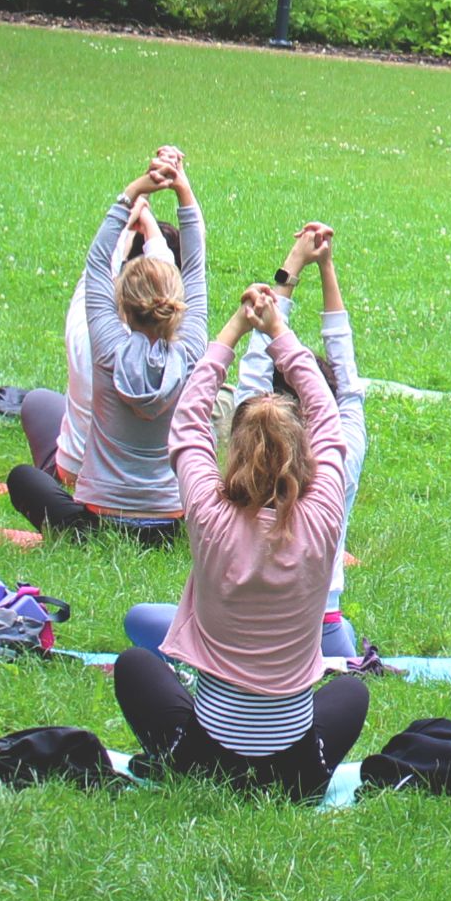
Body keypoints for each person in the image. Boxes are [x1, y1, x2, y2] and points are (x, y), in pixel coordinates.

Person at [111, 282, 363, 798]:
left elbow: (187, 420)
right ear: (305, 454)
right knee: (352, 693)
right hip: (294, 766)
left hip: (204, 755)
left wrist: (235, 328)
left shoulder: (209, 514)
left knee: (135, 664)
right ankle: (293, 775)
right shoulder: (323, 515)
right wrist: (278, 332)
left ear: (233, 450)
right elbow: (327, 415)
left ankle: (187, 762)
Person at [9, 151, 207, 540]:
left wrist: (133, 193)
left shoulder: (107, 348)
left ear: (123, 305)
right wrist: (183, 188)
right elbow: (197, 263)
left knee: (22, 478)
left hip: (100, 521)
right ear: (176, 301)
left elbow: (97, 262)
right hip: (170, 525)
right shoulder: (192, 349)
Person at [237, 222, 366, 660]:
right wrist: (326, 267)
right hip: (322, 623)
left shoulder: (247, 450)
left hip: (242, 620)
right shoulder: (340, 457)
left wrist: (292, 265)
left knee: (141, 619)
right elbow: (347, 375)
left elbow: (254, 367)